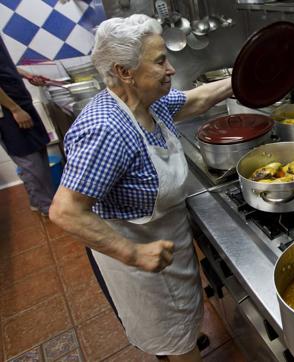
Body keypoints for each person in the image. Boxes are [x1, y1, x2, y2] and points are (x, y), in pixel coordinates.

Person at [49, 15, 232, 361]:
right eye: (160, 60)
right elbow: (65, 210)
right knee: (175, 342)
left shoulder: (149, 102)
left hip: (167, 247)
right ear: (125, 72)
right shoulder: (106, 128)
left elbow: (195, 100)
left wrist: (241, 79)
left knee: (183, 331)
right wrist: (132, 254)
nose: (171, 69)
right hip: (141, 265)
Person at [0, 36, 55, 215]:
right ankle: (47, 207)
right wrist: (14, 109)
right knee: (30, 160)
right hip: (8, 110)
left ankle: (38, 201)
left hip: (18, 101)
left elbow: (4, 66)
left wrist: (27, 74)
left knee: (39, 150)